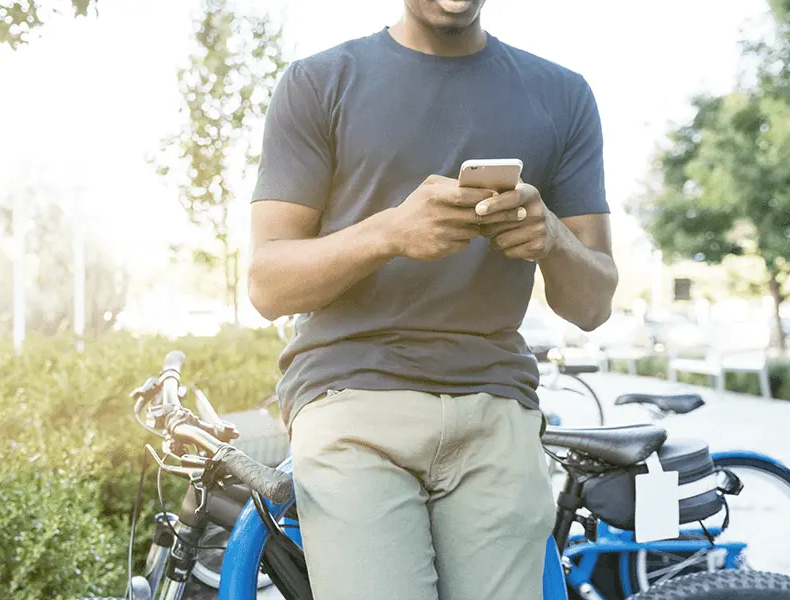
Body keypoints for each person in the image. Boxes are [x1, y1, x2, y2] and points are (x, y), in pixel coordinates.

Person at [247, 0, 618, 598]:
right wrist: (389, 233)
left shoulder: (563, 94)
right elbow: (267, 284)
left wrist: (551, 238)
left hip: (496, 407)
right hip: (352, 400)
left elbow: (593, 304)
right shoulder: (318, 82)